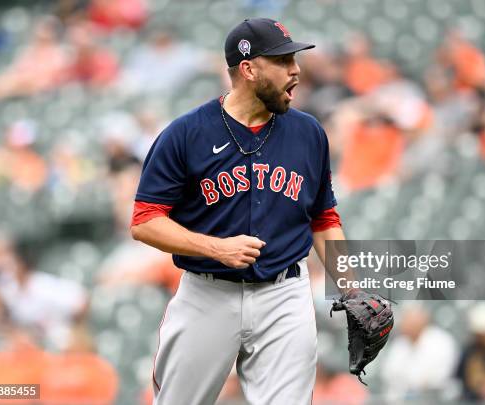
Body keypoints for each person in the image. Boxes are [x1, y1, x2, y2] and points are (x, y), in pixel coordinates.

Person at [130, 18, 345, 405]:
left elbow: (324, 218)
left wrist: (353, 286)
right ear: (248, 69)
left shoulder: (308, 132)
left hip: (285, 294)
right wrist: (217, 249)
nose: (295, 69)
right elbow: (145, 222)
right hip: (207, 292)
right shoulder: (185, 134)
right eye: (282, 61)